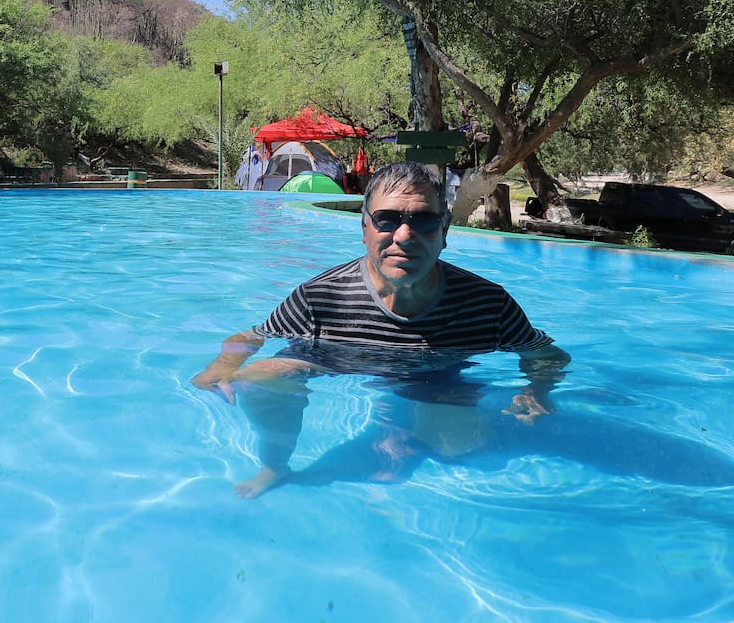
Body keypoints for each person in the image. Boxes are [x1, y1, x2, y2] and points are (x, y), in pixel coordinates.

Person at [190, 160, 570, 498]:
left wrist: (537, 390)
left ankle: (417, 430)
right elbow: (253, 336)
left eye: (423, 221)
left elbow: (546, 355)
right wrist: (222, 367)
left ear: (444, 231)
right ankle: (275, 465)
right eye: (387, 220)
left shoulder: (487, 304)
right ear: (365, 227)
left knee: (461, 446)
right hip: (337, 361)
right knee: (258, 378)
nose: (404, 236)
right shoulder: (320, 297)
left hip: (435, 377)